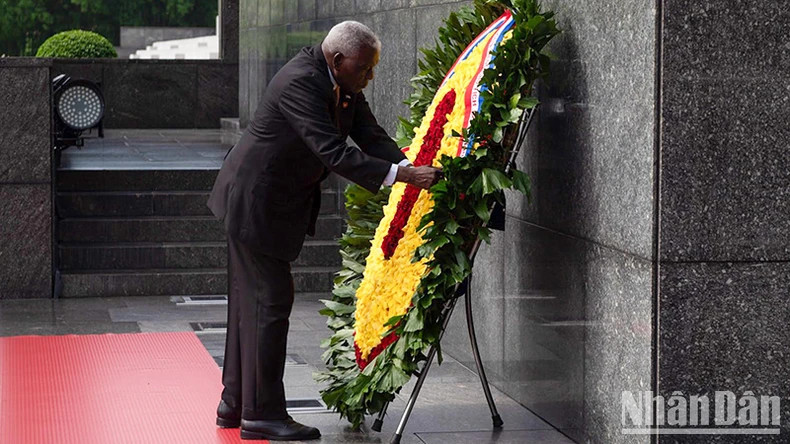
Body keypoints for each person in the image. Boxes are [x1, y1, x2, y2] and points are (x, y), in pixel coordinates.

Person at [206, 20, 442, 441]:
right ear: (337, 60)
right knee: (268, 304)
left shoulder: (343, 84)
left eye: (372, 69)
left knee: (251, 304)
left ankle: (235, 403)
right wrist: (403, 177)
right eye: (365, 69)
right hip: (255, 203)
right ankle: (261, 414)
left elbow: (370, 136)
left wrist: (410, 163)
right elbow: (331, 151)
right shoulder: (301, 81)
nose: (370, 77)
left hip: (267, 204)